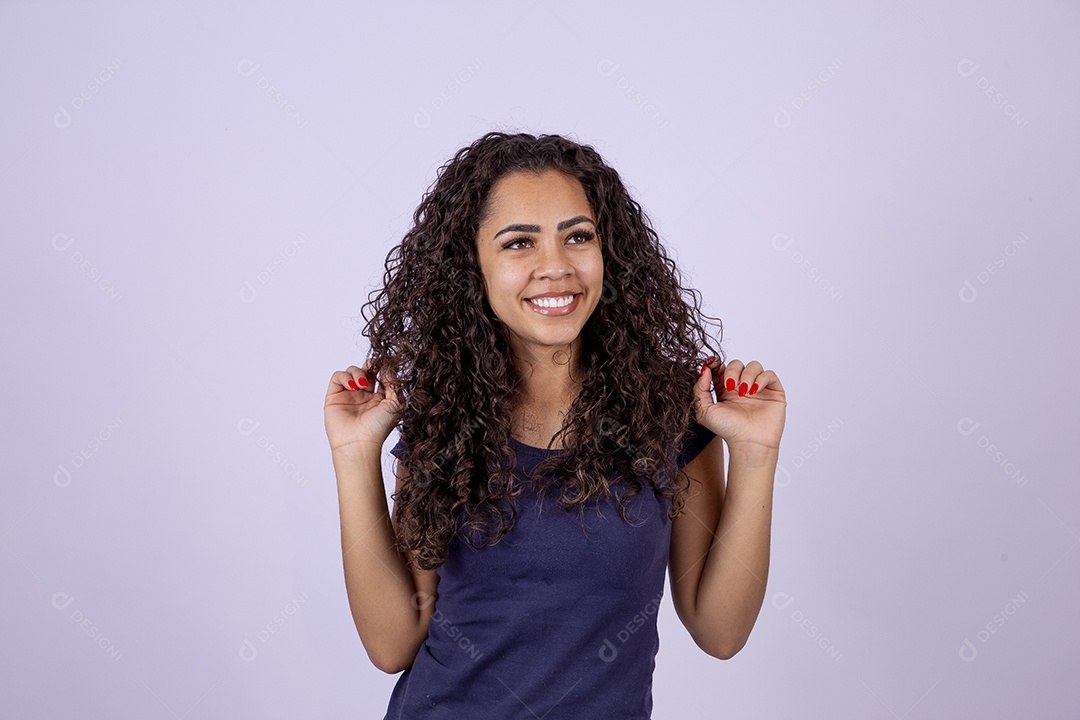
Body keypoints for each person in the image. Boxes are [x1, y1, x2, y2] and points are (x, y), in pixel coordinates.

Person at [323, 131, 786, 719]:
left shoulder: (671, 411)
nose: (555, 267)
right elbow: (392, 645)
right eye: (519, 243)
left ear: (608, 250)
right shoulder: (444, 412)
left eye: (578, 236)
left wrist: (756, 453)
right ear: (474, 267)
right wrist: (355, 452)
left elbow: (721, 632)